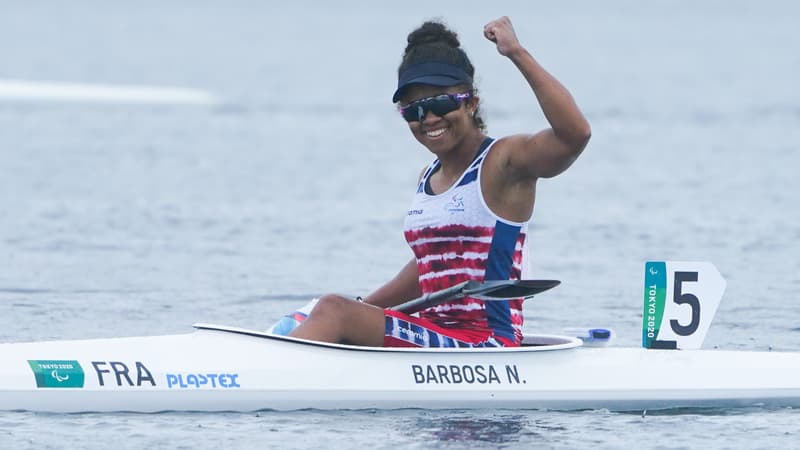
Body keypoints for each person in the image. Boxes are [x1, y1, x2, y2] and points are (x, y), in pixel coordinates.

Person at [288, 16, 590, 347]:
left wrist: (516, 53)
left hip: (485, 343)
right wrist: (361, 310)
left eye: (440, 103)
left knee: (333, 309)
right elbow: (429, 269)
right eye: (414, 110)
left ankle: (269, 375)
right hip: (434, 334)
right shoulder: (428, 177)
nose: (429, 118)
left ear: (471, 103)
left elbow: (574, 135)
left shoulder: (504, 162)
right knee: (319, 310)